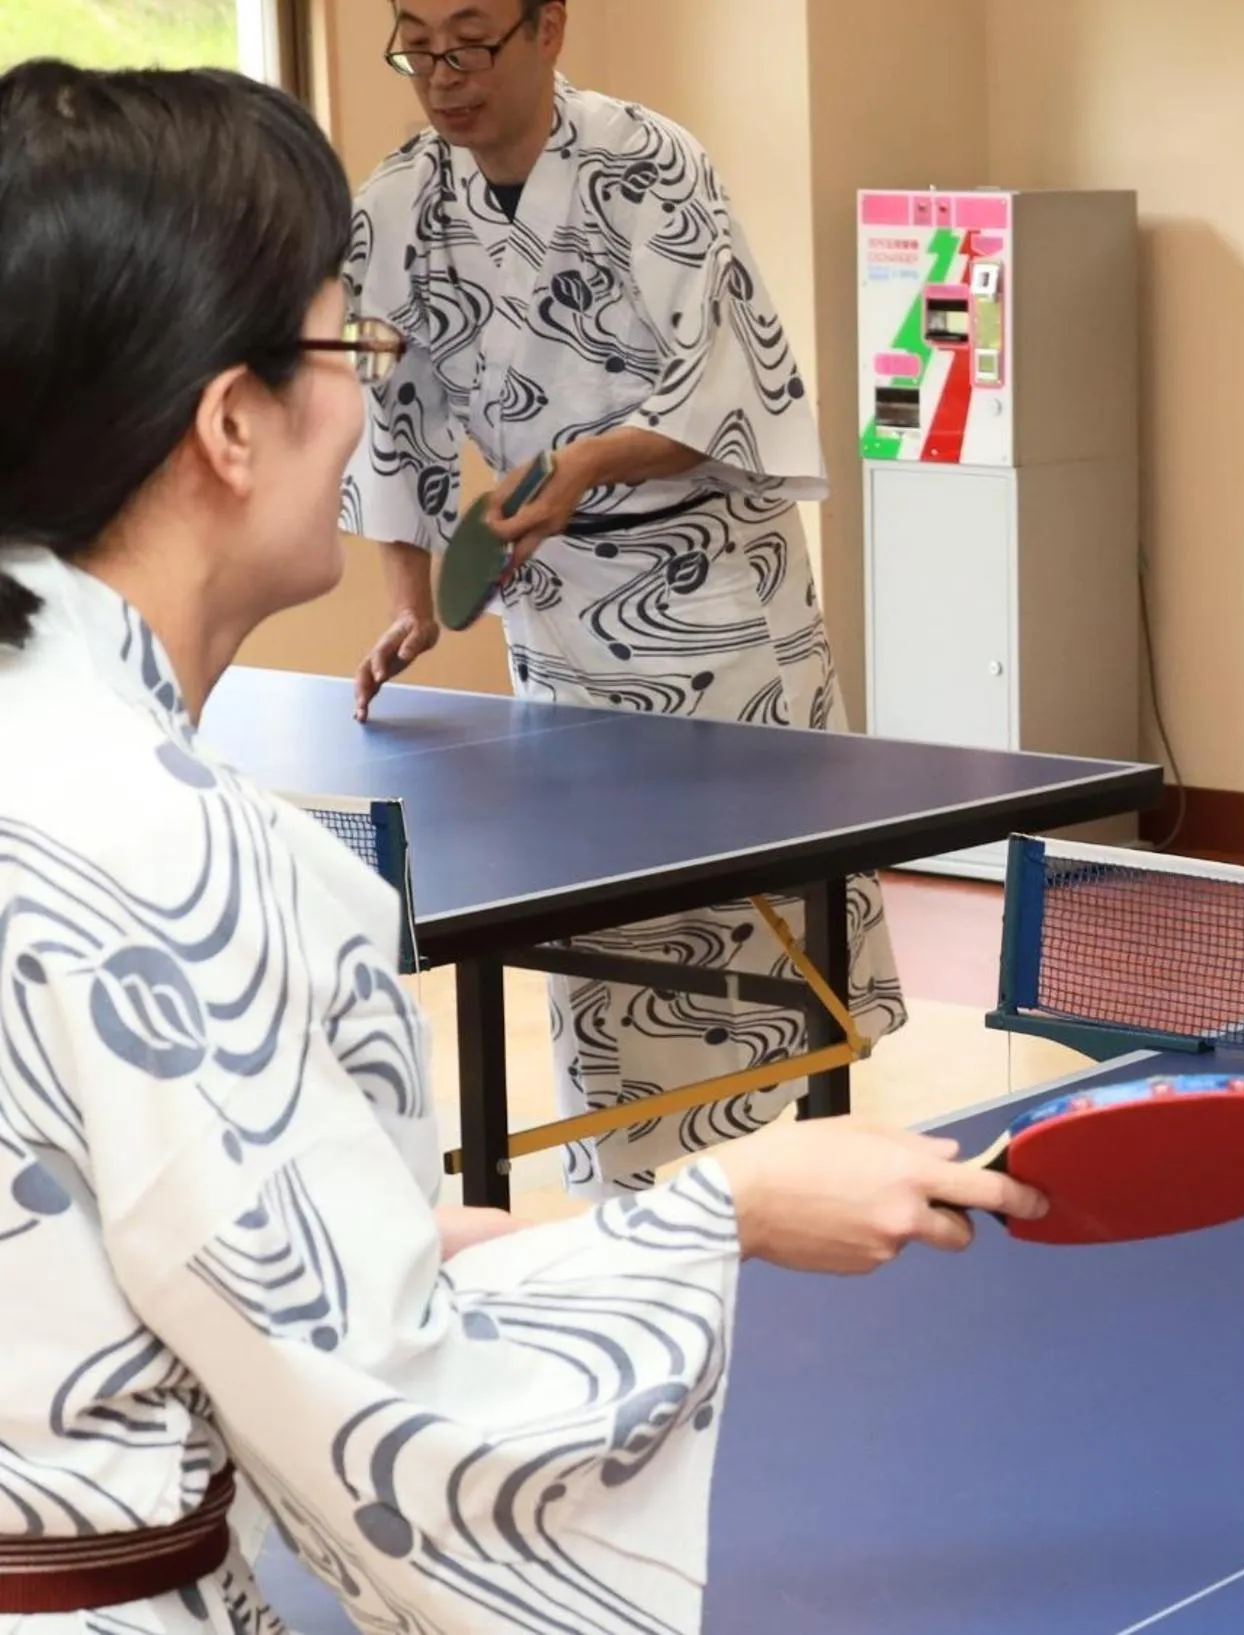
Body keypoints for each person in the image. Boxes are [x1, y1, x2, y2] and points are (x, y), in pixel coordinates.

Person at [0, 60, 1041, 1631]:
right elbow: (399, 1417)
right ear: (230, 422)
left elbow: (134, 1231)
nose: (369, 392)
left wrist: (413, 1239)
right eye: (343, 343)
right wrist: (726, 1204)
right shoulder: (181, 860)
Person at [341, 0, 905, 1198]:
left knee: (766, 914)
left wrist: (584, 465)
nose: (442, 75)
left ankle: (806, 1168)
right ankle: (630, 1201)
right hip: (561, 609)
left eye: (471, 42)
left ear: (549, 28)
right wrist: (406, 596)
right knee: (595, 919)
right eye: (416, 46)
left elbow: (727, 389)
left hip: (722, 597)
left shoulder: (652, 165)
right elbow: (391, 416)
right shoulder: (395, 203)